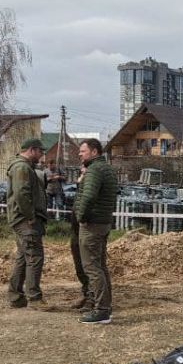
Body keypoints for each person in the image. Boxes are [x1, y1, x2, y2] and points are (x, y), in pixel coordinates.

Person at [74, 138, 118, 324]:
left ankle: (101, 310)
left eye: (83, 151)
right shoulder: (106, 168)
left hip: (92, 224)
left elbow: (89, 195)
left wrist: (81, 216)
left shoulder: (94, 170)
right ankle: (105, 306)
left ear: (94, 152)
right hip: (103, 221)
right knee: (100, 266)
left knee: (92, 268)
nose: (79, 154)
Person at [5, 138, 48, 308]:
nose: (42, 155)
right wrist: (30, 216)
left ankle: (16, 297)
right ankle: (35, 297)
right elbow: (22, 194)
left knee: (23, 257)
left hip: (21, 218)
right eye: (40, 152)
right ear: (31, 150)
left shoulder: (23, 166)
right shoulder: (22, 167)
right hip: (25, 220)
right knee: (35, 257)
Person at [68, 164, 91, 310]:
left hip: (87, 227)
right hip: (76, 229)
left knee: (89, 265)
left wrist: (81, 218)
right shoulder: (82, 185)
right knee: (79, 264)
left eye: (84, 168)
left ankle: (93, 297)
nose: (81, 170)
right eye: (81, 167)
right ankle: (86, 292)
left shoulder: (92, 183)